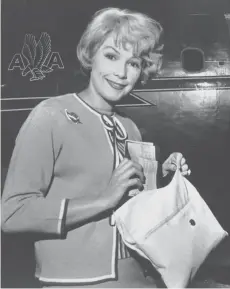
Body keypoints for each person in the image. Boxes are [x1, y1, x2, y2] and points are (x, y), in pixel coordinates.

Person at [1, 7, 191, 288]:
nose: (121, 73)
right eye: (112, 56)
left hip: (140, 276)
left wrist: (164, 178)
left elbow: (136, 207)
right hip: (76, 279)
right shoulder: (51, 114)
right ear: (91, 55)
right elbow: (12, 214)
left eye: (134, 63)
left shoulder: (129, 126)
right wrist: (103, 200)